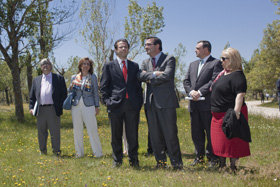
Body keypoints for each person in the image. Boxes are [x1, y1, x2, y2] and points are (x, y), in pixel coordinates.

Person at [139, 37, 183, 170]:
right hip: (150, 104)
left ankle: (177, 164)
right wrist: (155, 74)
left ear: (157, 45)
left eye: (148, 44)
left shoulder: (169, 59)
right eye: (145, 45)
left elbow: (167, 76)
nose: (145, 47)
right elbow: (139, 76)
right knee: (155, 135)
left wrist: (149, 77)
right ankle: (161, 163)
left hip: (166, 103)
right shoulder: (145, 61)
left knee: (170, 134)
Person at [100, 39, 143, 168]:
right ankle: (117, 160)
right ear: (116, 50)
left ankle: (134, 160)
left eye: (125, 47)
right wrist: (108, 102)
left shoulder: (134, 66)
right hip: (115, 105)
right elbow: (103, 86)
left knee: (132, 135)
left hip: (132, 106)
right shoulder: (108, 66)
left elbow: (138, 86)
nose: (123, 49)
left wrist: (138, 102)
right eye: (120, 47)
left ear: (128, 49)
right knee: (116, 135)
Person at [183, 40, 223, 167]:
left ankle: (212, 158)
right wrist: (191, 92)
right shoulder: (192, 64)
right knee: (196, 133)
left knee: (210, 133)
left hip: (207, 105)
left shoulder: (216, 63)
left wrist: (199, 92)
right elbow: (186, 81)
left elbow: (214, 80)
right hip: (194, 105)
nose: (195, 50)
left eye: (197, 48)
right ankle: (199, 157)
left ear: (206, 49)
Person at [210, 47, 251, 171]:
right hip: (217, 114)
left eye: (223, 58)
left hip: (229, 113)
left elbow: (240, 95)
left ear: (232, 59)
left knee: (232, 141)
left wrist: (236, 112)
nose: (221, 61)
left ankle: (233, 168)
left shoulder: (238, 75)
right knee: (219, 142)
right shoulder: (223, 73)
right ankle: (222, 166)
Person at [29, 58, 67, 156]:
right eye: (43, 64)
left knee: (55, 132)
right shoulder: (36, 80)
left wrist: (59, 105)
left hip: (53, 109)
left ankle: (56, 151)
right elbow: (32, 96)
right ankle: (43, 151)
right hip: (40, 110)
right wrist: (31, 108)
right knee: (41, 132)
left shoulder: (58, 78)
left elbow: (64, 94)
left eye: (47, 64)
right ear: (41, 68)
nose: (45, 66)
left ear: (51, 66)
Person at [69, 57, 103, 158]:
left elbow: (96, 93)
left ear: (90, 67)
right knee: (77, 130)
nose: (86, 66)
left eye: (88, 64)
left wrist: (97, 106)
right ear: (80, 65)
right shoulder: (74, 77)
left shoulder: (92, 77)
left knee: (92, 129)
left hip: (89, 105)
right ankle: (79, 153)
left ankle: (98, 153)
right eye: (84, 64)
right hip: (76, 105)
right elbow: (70, 91)